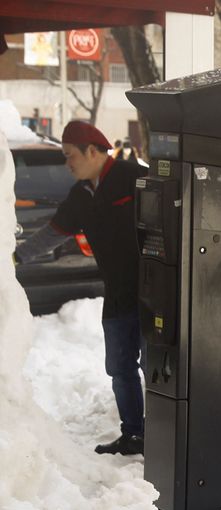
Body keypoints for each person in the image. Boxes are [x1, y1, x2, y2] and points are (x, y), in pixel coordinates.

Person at [14, 120, 148, 455]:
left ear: (93, 151)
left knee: (156, 367)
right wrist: (15, 258)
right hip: (117, 294)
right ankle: (134, 434)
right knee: (119, 367)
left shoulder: (135, 177)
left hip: (152, 293)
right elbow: (53, 233)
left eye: (70, 155)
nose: (67, 163)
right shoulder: (80, 195)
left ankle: (165, 436)